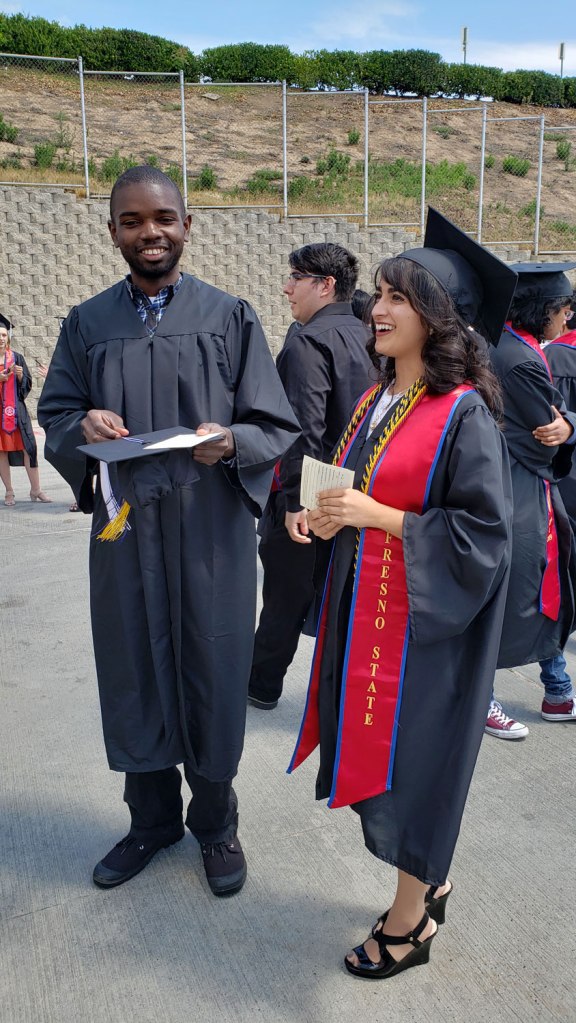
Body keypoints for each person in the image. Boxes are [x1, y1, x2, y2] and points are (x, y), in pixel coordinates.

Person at [38, 166, 300, 896]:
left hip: (209, 530)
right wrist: (79, 424)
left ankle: (215, 824)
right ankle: (150, 819)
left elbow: (272, 422)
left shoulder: (230, 317)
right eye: (131, 220)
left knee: (211, 673)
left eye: (162, 218)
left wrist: (233, 441)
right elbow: (56, 411)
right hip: (125, 535)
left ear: (187, 225)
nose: (148, 231)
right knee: (134, 672)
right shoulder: (87, 323)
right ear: (113, 230)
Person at [287, 211, 515, 979]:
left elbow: (484, 537)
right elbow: (352, 484)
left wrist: (378, 518)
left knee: (414, 773)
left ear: (438, 319)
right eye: (379, 293)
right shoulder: (380, 398)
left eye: (397, 298)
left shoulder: (464, 413)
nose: (376, 309)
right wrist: (318, 514)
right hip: (372, 619)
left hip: (428, 637)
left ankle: (411, 919)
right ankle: (431, 885)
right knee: (382, 763)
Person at [248, 243, 373, 710]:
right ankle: (342, 695)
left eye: (295, 277)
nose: (286, 287)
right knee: (342, 599)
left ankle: (262, 685)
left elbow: (304, 428)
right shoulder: (369, 336)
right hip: (357, 497)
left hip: (308, 500)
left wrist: (297, 502)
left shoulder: (307, 341)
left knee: (285, 596)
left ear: (326, 285)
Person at [487, 263, 576, 738]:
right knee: (515, 587)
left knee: (544, 585)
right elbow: (546, 434)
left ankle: (557, 689)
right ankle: (482, 696)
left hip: (521, 482)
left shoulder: (509, 343)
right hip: (517, 486)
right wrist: (566, 429)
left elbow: (556, 423)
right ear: (543, 309)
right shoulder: (518, 357)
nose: (566, 320)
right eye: (563, 310)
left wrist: (568, 425)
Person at [0, 314, 51, 506]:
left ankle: (36, 489)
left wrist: (21, 378)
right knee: (1, 451)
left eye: (4, 334)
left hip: (17, 412)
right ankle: (9, 492)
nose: (1, 338)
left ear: (8, 337)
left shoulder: (17, 357)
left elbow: (27, 386)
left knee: (29, 448)